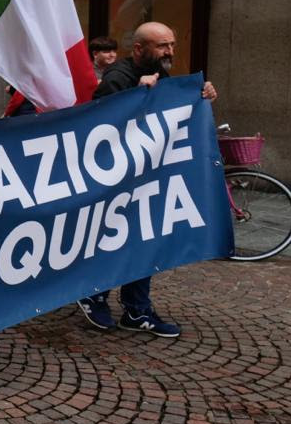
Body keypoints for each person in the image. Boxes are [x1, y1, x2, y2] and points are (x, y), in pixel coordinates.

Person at [76, 22, 217, 338]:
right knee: (116, 240)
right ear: (139, 49)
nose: (170, 52)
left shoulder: (161, 75)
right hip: (119, 182)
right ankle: (94, 292)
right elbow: (100, 123)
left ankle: (136, 309)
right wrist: (136, 95)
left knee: (146, 240)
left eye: (172, 44)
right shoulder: (118, 78)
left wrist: (202, 95)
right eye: (162, 46)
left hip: (149, 179)